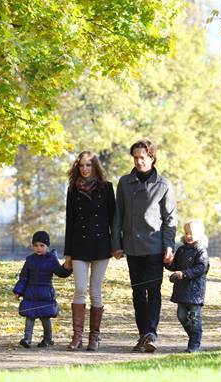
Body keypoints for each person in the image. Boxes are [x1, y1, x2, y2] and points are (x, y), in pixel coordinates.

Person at [112, 138, 177, 353]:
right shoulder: (124, 182)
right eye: (135, 158)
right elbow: (118, 215)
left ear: (152, 157)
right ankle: (143, 334)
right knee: (137, 292)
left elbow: (170, 219)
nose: (139, 161)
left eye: (143, 157)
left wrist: (169, 246)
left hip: (155, 246)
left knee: (153, 290)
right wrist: (117, 243)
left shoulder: (164, 184)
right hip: (131, 246)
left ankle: (151, 333)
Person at [62, 151, 116, 351]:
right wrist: (67, 254)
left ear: (95, 167)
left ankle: (95, 336)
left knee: (95, 291)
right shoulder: (72, 190)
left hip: (102, 246)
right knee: (80, 289)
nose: (85, 169)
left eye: (88, 165)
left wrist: (116, 245)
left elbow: (114, 220)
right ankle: (77, 336)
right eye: (81, 166)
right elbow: (70, 222)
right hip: (79, 246)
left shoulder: (107, 188)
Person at [13, 231, 72, 348]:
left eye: (42, 245)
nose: (38, 248)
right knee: (29, 316)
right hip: (31, 294)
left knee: (45, 317)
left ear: (47, 246)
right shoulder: (30, 260)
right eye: (35, 245)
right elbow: (23, 277)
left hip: (45, 294)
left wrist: (68, 266)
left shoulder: (51, 259)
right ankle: (27, 339)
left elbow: (60, 272)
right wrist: (18, 291)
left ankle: (48, 339)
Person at [165, 219, 209, 353]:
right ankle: (194, 337)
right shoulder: (182, 250)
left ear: (200, 235)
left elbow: (201, 268)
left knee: (194, 317)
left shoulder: (201, 251)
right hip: (182, 290)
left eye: (192, 233)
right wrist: (168, 263)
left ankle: (194, 344)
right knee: (181, 315)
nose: (188, 236)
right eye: (186, 233)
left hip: (195, 291)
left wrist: (183, 274)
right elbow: (175, 266)